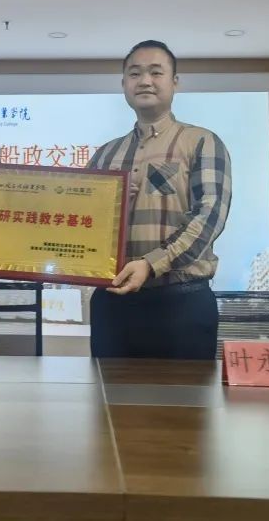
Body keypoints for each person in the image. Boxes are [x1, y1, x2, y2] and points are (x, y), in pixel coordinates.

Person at [86, 40, 232, 360]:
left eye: (156, 72)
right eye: (134, 73)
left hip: (182, 304)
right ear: (123, 83)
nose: (145, 81)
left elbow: (209, 216)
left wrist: (151, 264)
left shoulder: (202, 142)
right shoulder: (105, 155)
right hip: (112, 305)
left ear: (174, 81)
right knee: (109, 393)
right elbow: (83, 222)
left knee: (184, 395)